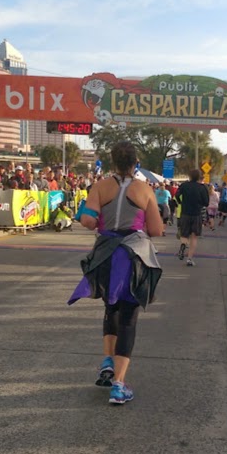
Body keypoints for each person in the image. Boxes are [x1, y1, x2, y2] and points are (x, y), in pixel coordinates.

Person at [68, 141, 164, 405]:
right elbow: (156, 229)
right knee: (128, 319)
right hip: (133, 257)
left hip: (106, 255)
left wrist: (101, 219)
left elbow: (88, 221)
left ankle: (108, 361)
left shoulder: (100, 187)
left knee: (111, 309)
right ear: (136, 163)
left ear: (112, 162)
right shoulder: (144, 189)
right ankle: (119, 385)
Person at [175, 170, 209, 267]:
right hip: (196, 214)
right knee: (194, 236)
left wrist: (181, 202)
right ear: (199, 177)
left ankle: (183, 244)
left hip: (185, 213)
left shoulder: (184, 185)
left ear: (189, 176)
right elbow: (206, 202)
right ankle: (189, 259)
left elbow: (176, 195)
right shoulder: (202, 187)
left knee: (184, 234)